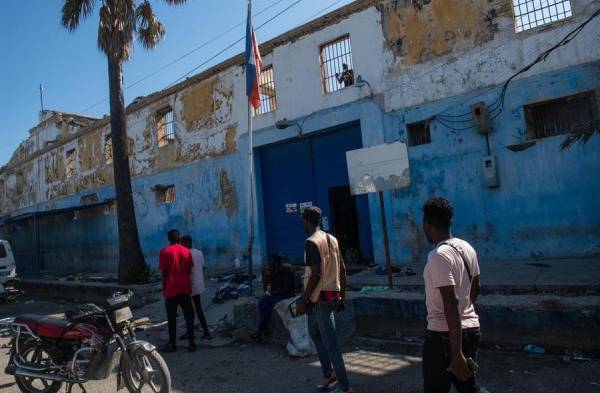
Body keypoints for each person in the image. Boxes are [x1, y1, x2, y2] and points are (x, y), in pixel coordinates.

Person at [421, 198, 482, 393]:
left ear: (429, 224)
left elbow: (450, 302)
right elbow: (476, 287)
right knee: (467, 387)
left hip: (443, 336)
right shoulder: (467, 248)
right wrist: (465, 312)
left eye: (424, 223)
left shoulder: (438, 255)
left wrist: (455, 353)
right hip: (470, 330)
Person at [297, 206, 352, 393]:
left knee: (331, 344)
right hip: (331, 296)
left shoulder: (311, 242)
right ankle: (330, 374)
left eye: (303, 220)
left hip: (320, 300)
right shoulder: (332, 239)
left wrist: (303, 300)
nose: (302, 223)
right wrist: (343, 295)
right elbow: (343, 270)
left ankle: (345, 387)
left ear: (306, 221)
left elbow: (315, 274)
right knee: (314, 332)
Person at [159, 229, 196, 352]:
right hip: (185, 288)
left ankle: (172, 344)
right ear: (179, 238)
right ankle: (191, 343)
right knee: (189, 316)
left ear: (168, 239)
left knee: (171, 319)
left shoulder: (165, 252)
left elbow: (164, 273)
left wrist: (164, 288)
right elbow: (189, 270)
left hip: (171, 289)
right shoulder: (186, 251)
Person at [255, 254, 298, 341]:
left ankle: (260, 331)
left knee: (266, 305)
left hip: (286, 295)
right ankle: (264, 327)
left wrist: (273, 292)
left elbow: (288, 288)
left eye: (271, 262)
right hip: (277, 294)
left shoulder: (284, 272)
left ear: (276, 262)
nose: (269, 264)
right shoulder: (273, 272)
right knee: (262, 303)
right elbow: (267, 287)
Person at [180, 235, 212, 341]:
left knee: (188, 312)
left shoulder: (185, 254)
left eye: (182, 243)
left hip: (189, 286)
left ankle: (190, 332)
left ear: (187, 243)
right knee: (198, 309)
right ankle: (206, 331)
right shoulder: (199, 252)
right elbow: (203, 268)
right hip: (198, 284)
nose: (180, 245)